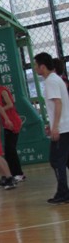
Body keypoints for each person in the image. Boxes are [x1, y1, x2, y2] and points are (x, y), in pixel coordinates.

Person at [34, 52, 69, 204]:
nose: (35, 68)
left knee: (56, 160)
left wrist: (55, 127)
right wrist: (52, 124)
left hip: (62, 128)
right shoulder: (56, 79)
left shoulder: (51, 81)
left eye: (36, 65)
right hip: (64, 126)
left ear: (42, 66)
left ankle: (63, 193)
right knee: (66, 160)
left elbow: (58, 103)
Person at [0, 70, 25, 183]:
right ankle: (12, 174)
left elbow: (10, 104)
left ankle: (19, 174)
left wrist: (0, 110)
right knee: (8, 150)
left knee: (11, 150)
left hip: (13, 122)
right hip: (7, 123)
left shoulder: (2, 91)